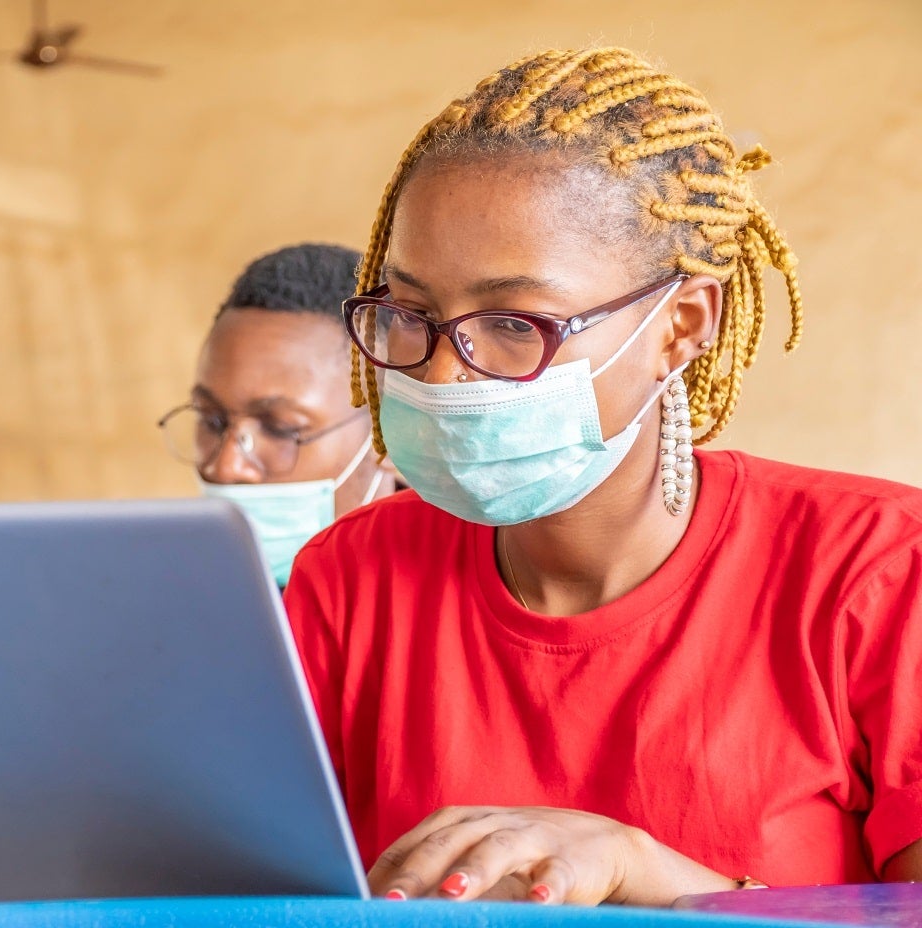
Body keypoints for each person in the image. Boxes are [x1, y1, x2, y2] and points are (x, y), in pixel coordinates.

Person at [284, 47, 922, 906]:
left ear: (682, 325)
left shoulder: (880, 574)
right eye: (410, 314)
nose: (441, 376)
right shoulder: (346, 581)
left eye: (516, 321)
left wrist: (647, 876)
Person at [158, 243, 396, 586]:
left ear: (389, 432)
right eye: (212, 421)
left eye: (280, 429)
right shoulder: (170, 601)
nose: (225, 468)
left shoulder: (447, 616)